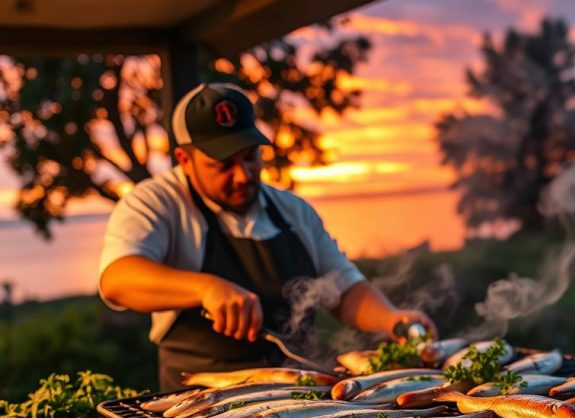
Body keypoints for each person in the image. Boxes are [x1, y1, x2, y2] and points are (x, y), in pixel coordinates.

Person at [98, 83, 435, 391]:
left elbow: (344, 289)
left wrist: (392, 318)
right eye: (223, 164)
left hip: (298, 397)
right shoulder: (156, 203)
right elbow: (117, 279)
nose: (242, 175)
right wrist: (206, 288)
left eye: (250, 157)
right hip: (203, 405)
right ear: (185, 159)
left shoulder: (293, 211)